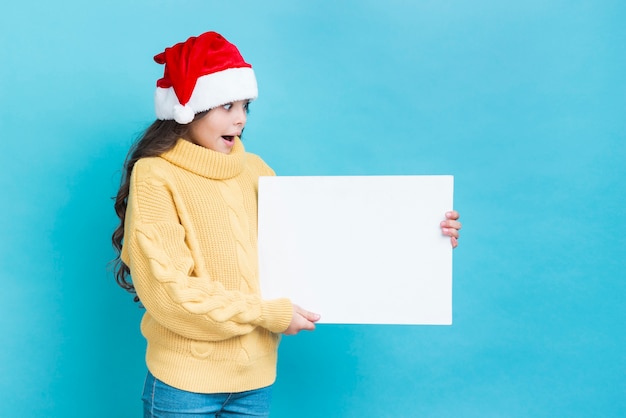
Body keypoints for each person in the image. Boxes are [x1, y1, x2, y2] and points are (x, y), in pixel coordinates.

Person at [111, 31, 461, 417]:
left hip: (255, 383)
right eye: (226, 105)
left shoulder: (258, 172)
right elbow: (169, 294)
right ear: (188, 109)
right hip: (185, 387)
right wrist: (268, 314)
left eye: (245, 106)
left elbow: (322, 249)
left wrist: (425, 237)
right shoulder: (157, 175)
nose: (241, 118)